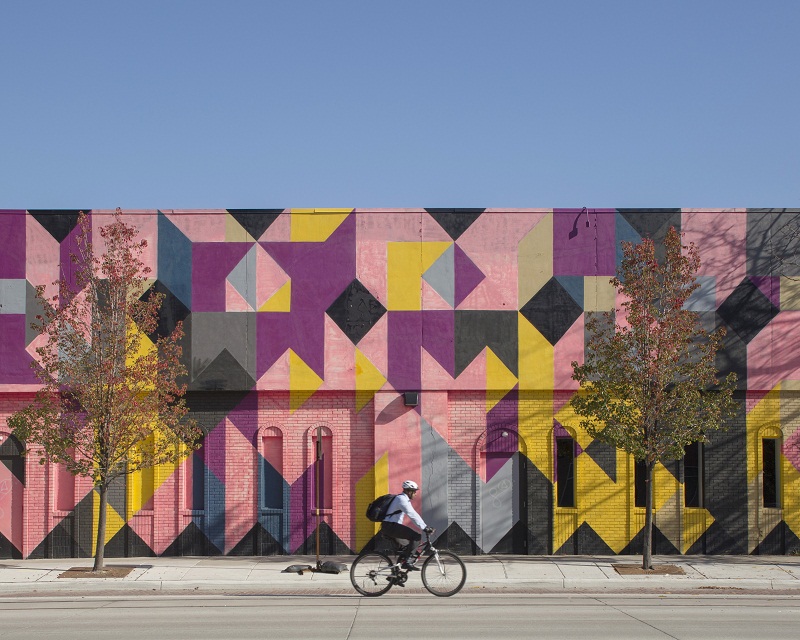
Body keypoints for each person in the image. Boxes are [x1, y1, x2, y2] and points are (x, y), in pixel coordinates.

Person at [380, 480, 434, 571]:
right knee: (416, 536)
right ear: (409, 491)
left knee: (407, 548)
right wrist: (425, 527)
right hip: (390, 526)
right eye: (414, 492)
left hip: (389, 526)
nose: (415, 494)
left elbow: (413, 514)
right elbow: (412, 514)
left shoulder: (402, 499)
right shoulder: (402, 499)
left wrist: (424, 526)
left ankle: (396, 575)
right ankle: (407, 562)